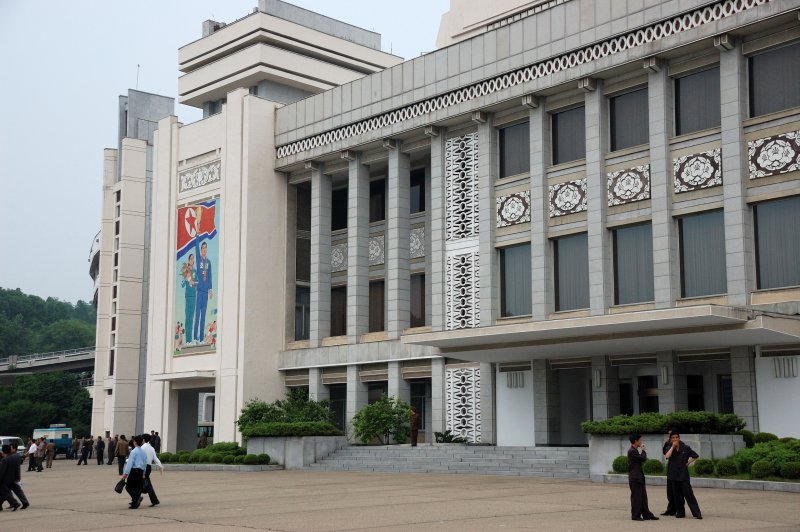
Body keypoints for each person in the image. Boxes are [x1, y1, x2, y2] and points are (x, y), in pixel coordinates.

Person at [665, 432, 702, 519]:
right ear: (671, 439)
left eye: (676, 437)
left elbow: (696, 456)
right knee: (677, 496)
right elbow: (667, 456)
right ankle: (680, 512)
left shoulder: (685, 448)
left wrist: (688, 462)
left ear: (679, 438)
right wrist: (673, 447)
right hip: (673, 475)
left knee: (689, 495)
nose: (675, 439)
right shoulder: (669, 447)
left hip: (683, 475)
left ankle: (697, 513)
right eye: (673, 438)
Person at [628, 434, 658, 521]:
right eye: (640, 440)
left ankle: (646, 514)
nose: (641, 442)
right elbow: (642, 459)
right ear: (636, 441)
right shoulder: (632, 451)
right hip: (635, 478)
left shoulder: (634, 450)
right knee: (636, 497)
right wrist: (643, 450)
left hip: (638, 477)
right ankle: (635, 515)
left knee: (643, 497)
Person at [193, 213, 213, 345]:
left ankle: (201, 338)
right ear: (201, 250)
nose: (204, 250)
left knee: (204, 315)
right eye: (203, 248)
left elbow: (210, 275)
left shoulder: (209, 262)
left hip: (206, 292)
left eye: (205, 248)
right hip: (199, 291)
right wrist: (198, 235)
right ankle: (195, 338)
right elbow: (196, 247)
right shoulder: (199, 259)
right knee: (197, 315)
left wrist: (211, 289)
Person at [121, 435, 147, 509]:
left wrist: (125, 473)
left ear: (135, 442)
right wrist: (144, 473)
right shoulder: (143, 452)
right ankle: (134, 503)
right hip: (141, 471)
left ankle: (136, 498)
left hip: (134, 471)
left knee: (128, 487)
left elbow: (130, 463)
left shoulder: (134, 451)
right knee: (136, 487)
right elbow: (145, 463)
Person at [141, 434, 162, 507]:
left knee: (138, 484)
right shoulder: (151, 448)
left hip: (143, 467)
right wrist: (160, 465)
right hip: (149, 467)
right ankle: (154, 500)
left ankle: (136, 499)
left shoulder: (142, 448)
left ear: (143, 440)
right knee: (147, 484)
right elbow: (155, 459)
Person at [6, 444, 29, 510]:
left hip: (11, 477)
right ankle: (23, 502)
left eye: (11, 448)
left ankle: (14, 503)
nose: (10, 449)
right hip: (15, 476)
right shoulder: (16, 456)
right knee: (16, 490)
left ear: (14, 449)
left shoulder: (13, 456)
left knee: (5, 491)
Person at [182, 253, 197, 344]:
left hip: (194, 296)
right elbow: (182, 284)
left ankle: (190, 340)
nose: (192, 260)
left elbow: (198, 282)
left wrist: (193, 283)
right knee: (187, 318)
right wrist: (186, 278)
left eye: (193, 259)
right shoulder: (186, 271)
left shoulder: (195, 271)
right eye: (190, 259)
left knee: (191, 318)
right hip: (188, 297)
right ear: (188, 261)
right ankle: (187, 340)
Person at [660, 427, 676, 516]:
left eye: (670, 435)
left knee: (675, 492)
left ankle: (676, 509)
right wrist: (666, 443)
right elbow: (664, 453)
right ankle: (670, 509)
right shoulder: (669, 444)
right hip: (670, 470)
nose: (669, 437)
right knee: (669, 492)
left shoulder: (678, 445)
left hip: (676, 471)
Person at [0, 445, 20, 511]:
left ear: (3, 451)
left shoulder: (4, 460)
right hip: (12, 479)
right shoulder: (13, 458)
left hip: (5, 480)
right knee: (3, 494)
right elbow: (16, 469)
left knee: (5, 493)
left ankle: (15, 503)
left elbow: (2, 471)